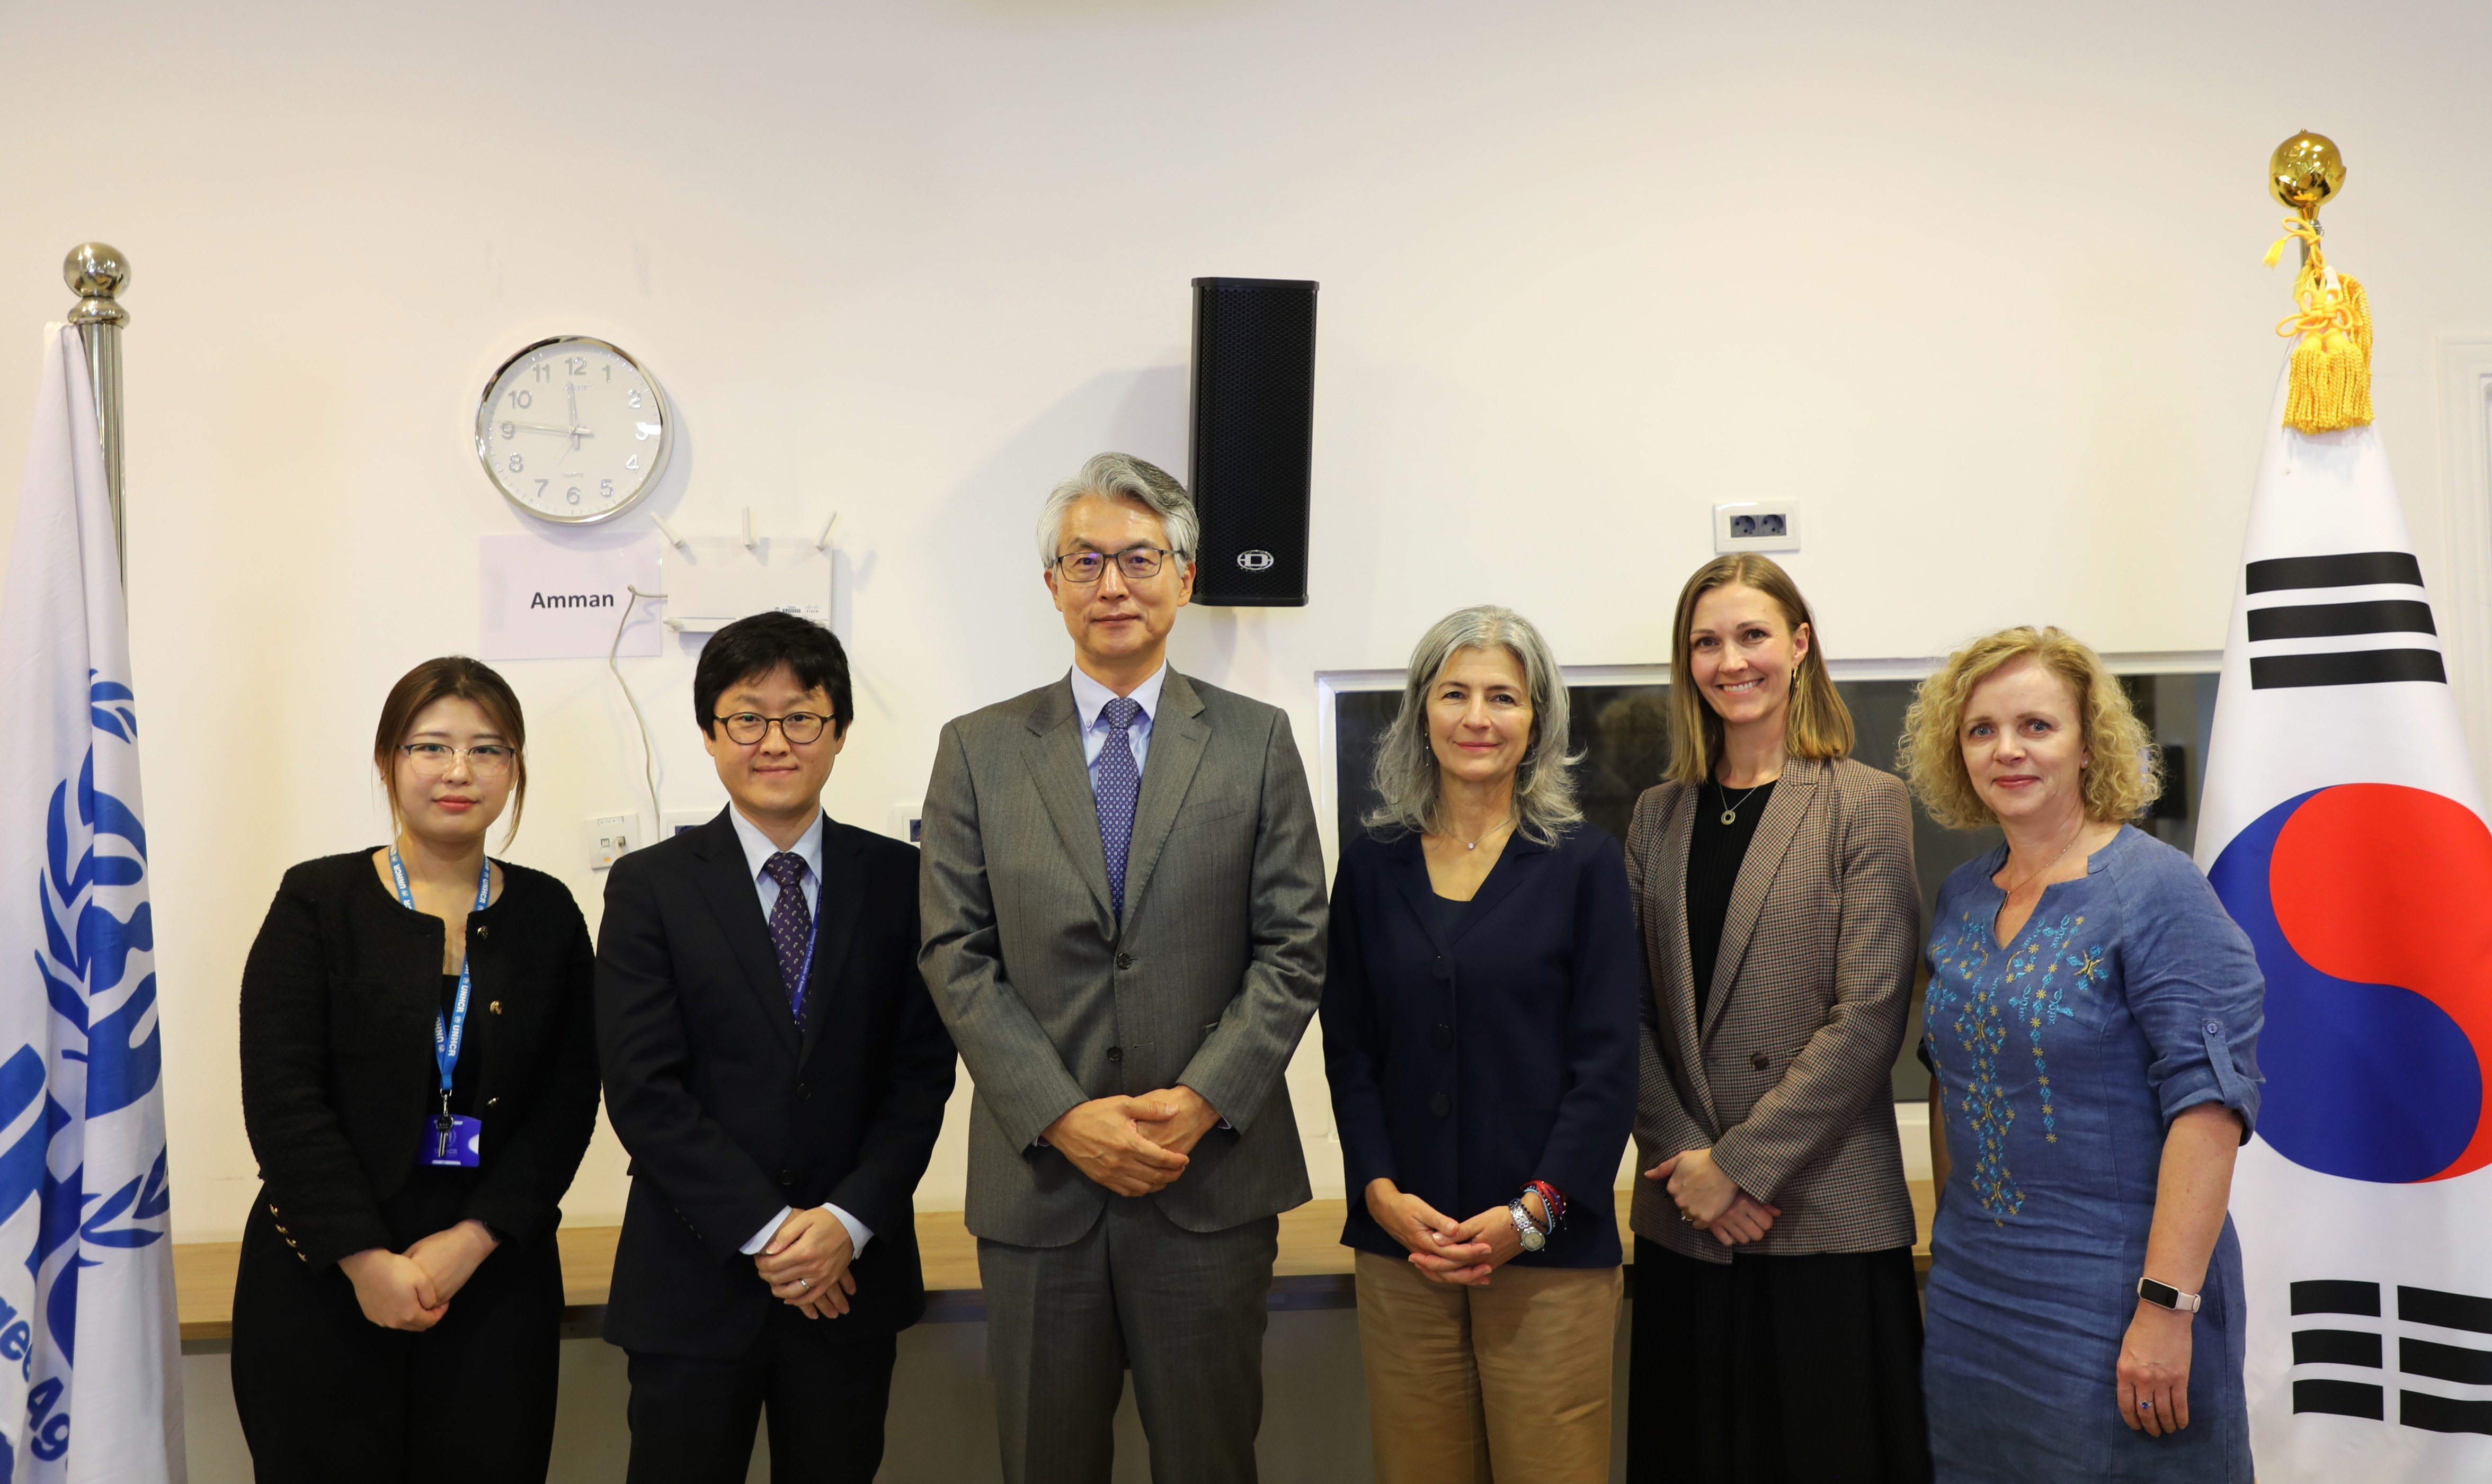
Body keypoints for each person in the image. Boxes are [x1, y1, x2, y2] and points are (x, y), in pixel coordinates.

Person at [919, 452, 1328, 1484]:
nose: (1113, 585)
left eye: (1140, 559)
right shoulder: (979, 750)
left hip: (1209, 1182)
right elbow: (954, 954)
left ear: (1185, 577)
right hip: (1040, 1192)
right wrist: (1062, 1115)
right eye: (1086, 560)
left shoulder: (1255, 742)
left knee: (1209, 1461)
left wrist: (1199, 1101)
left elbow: (1293, 944)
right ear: (1051, 583)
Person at [595, 611, 957, 1483]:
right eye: (746, 717)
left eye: (801, 716)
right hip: (695, 1281)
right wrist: (771, 1234)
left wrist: (843, 1223)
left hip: (850, 1282)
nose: (774, 741)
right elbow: (644, 1089)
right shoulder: (651, 887)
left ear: (837, 732)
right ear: (711, 734)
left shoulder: (903, 879)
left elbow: (921, 1076)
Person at [1901, 627, 2262, 1482]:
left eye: (2036, 725)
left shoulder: (2158, 889)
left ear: (2088, 744)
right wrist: (1955, 1250)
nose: (2008, 749)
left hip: (2120, 1299)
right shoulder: (1961, 895)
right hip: (1976, 1295)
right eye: (1982, 730)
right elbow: (1950, 1078)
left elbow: (2211, 1109)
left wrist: (2167, 1309)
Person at [232, 657, 601, 1483]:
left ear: (515, 769)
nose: (460, 771)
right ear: (388, 761)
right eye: (430, 746)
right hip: (320, 1275)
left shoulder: (548, 912)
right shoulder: (317, 901)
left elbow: (569, 1100)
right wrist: (369, 1261)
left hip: (493, 1278)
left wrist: (469, 1244)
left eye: (490, 749)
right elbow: (283, 1096)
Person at [1625, 555, 1932, 1482]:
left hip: (1823, 1214)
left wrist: (1741, 1167)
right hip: (1687, 1217)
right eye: (1707, 641)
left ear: (1799, 645)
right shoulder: (1657, 813)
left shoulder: (1864, 801)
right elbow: (1623, 1011)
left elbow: (1872, 1012)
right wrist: (1690, 1162)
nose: (1731, 660)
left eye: (1753, 635)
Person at [1319, 605, 1639, 1483]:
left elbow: (1609, 1065)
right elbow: (1348, 1050)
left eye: (1504, 696)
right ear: (1422, 709)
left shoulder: (1584, 863)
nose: (1477, 717)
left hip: (1550, 1253)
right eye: (1455, 692)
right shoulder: (1372, 862)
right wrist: (1379, 1192)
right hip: (1404, 1247)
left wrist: (1531, 1214)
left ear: (1538, 721)